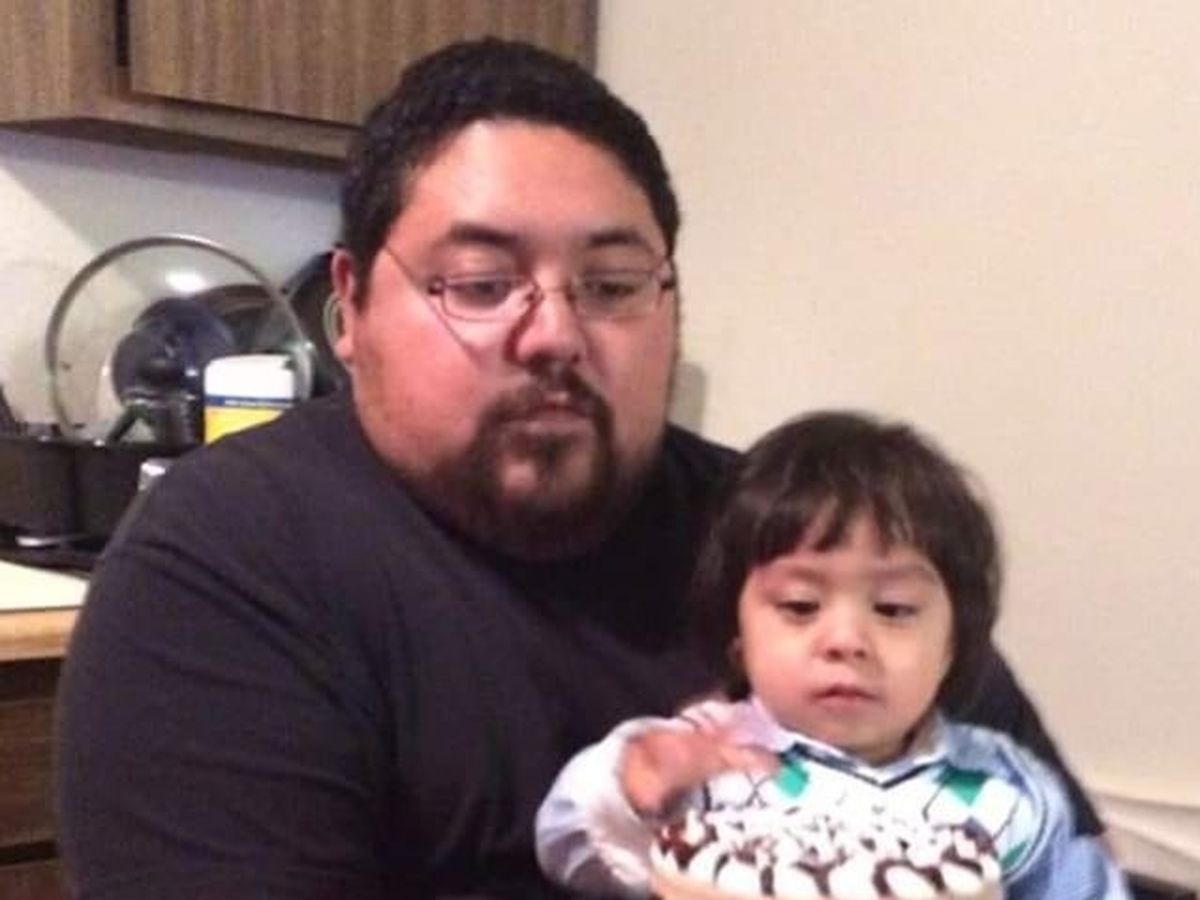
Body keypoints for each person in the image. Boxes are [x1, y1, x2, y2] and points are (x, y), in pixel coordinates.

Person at [56, 39, 1103, 900]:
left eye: (611, 284)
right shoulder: (229, 562)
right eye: (479, 281)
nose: (555, 332)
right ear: (353, 307)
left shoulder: (809, 544)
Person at [536, 411, 1128, 899]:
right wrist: (632, 784)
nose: (846, 640)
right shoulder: (709, 761)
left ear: (954, 646)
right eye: (800, 605)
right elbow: (571, 849)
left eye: (893, 609)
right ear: (739, 639)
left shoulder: (1001, 791)